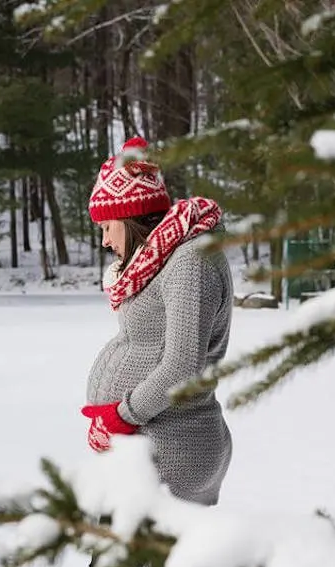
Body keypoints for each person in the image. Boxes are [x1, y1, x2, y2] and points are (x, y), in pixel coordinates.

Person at [81, 136, 233, 506]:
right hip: (150, 448)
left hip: (173, 450)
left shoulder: (189, 262)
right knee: (116, 563)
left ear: (130, 218)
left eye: (107, 226)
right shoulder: (163, 261)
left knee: (120, 564)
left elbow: (182, 366)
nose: (104, 241)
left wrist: (121, 415)